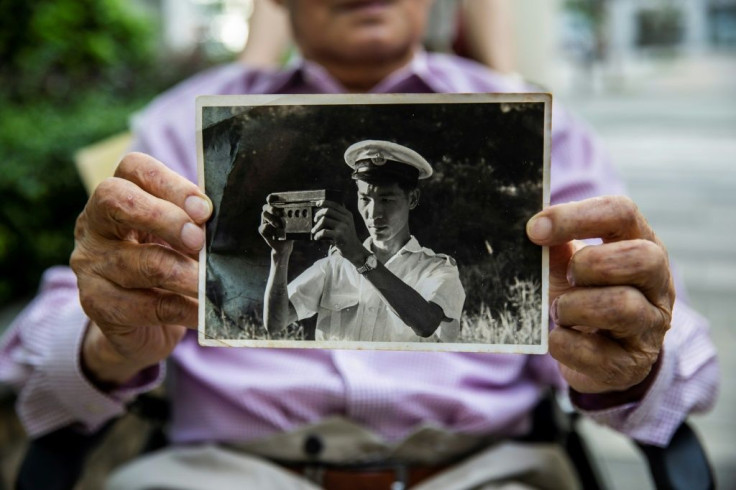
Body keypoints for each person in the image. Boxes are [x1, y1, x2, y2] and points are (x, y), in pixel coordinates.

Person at [0, 1, 718, 489]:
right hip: (229, 470)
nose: (373, 206)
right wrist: (109, 342)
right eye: (366, 196)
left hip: (482, 471)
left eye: (387, 196)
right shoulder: (178, 127)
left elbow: (679, 360)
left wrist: (633, 357)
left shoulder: (543, 131)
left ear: (413, 201)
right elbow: (40, 366)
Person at [259, 140, 465, 342]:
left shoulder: (437, 269)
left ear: (412, 199)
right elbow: (276, 322)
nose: (374, 213)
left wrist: (359, 257)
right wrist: (279, 255)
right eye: (365, 199)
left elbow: (426, 324)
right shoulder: (335, 265)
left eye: (386, 200)